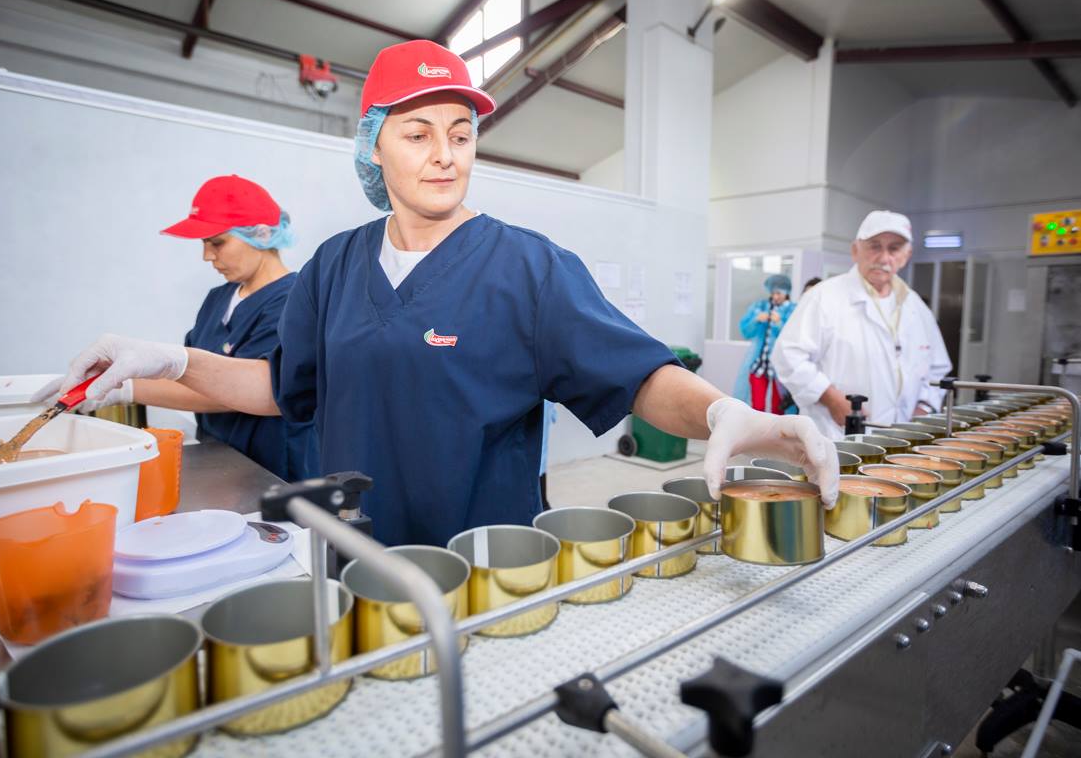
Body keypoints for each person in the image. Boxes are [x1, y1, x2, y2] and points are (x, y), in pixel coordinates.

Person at [57, 40, 839, 546]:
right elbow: (278, 386)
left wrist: (722, 413)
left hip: (481, 564)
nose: (445, 155)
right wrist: (167, 361)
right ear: (373, 147)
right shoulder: (333, 266)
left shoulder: (529, 268)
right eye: (417, 133)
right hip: (352, 554)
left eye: (460, 135)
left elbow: (636, 377)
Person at [47, 175, 313, 481]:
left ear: (262, 234)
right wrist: (115, 374)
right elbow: (189, 374)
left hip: (272, 467)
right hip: (220, 457)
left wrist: (126, 388)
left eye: (218, 242)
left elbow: (244, 390)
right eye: (204, 243)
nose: (207, 255)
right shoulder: (218, 298)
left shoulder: (292, 301)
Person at [773, 210, 951, 440]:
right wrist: (831, 398)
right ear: (855, 250)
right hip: (836, 434)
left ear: (906, 255)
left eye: (894, 248)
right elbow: (787, 356)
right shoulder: (823, 297)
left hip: (902, 439)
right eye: (875, 246)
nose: (884, 258)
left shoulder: (915, 306)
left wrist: (924, 408)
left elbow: (937, 367)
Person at [733, 274, 795, 414]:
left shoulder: (793, 310)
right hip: (759, 365)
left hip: (780, 367)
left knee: (778, 408)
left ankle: (777, 429)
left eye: (778, 293)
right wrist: (756, 320)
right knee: (757, 407)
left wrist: (779, 323)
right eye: (773, 293)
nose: (775, 297)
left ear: (786, 292)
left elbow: (794, 337)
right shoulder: (760, 307)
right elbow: (745, 332)